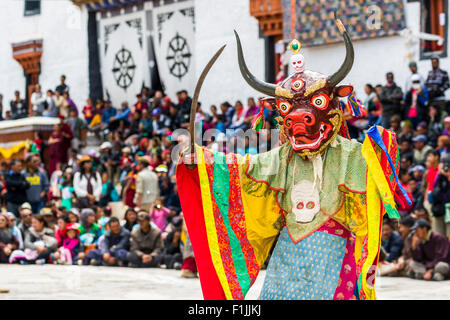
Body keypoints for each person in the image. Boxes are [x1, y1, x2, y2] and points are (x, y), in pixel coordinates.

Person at [430, 153, 450, 239]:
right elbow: (435, 187)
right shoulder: (441, 176)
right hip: (440, 208)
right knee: (440, 235)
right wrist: (439, 173)